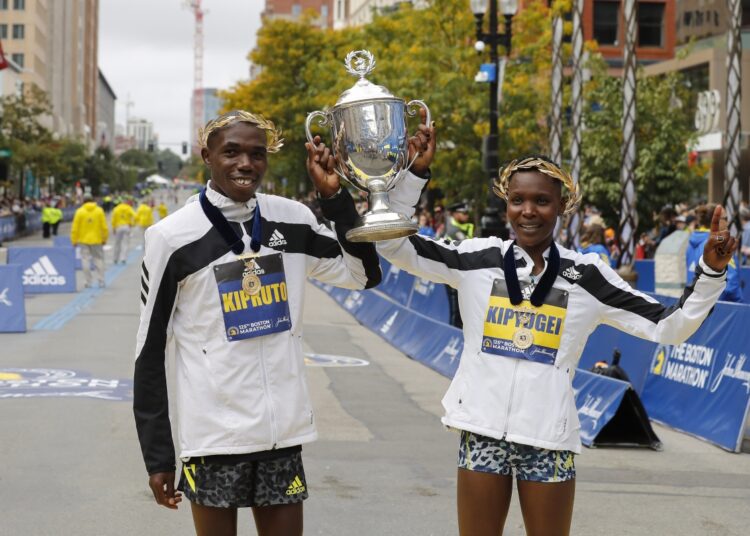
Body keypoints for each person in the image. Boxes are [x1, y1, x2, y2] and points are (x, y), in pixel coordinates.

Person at [312, 118, 732, 534]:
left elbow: (669, 327)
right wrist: (415, 174)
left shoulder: (588, 275)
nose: (528, 211)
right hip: (482, 432)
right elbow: (392, 243)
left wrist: (710, 273)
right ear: (506, 203)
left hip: (548, 437)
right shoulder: (477, 257)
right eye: (517, 200)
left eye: (541, 201)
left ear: (562, 205)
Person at [133, 110, 381, 536]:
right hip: (212, 436)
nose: (245, 164)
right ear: (206, 155)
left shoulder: (293, 219)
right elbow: (149, 350)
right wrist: (158, 457)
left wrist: (336, 201)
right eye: (231, 152)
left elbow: (363, 275)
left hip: (280, 433)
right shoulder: (171, 238)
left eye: (256, 154)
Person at [686, 203, 742, 302]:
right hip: (722, 308)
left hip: (697, 305)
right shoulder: (720, 245)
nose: (728, 222)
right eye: (726, 218)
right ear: (716, 221)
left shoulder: (692, 242)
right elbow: (730, 286)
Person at [70, 193, 108, 288]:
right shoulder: (99, 211)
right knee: (98, 260)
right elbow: (104, 227)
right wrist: (104, 238)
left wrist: (74, 240)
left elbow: (75, 228)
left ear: (83, 201)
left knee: (85, 260)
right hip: (97, 239)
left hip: (83, 240)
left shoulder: (79, 212)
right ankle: (101, 280)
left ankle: (88, 281)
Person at [111, 198, 136, 264]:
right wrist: (132, 224)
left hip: (118, 227)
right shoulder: (128, 208)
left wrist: (113, 228)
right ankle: (123, 258)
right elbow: (135, 216)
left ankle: (115, 259)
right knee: (125, 243)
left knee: (117, 244)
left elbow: (113, 219)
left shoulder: (116, 209)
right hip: (126, 226)